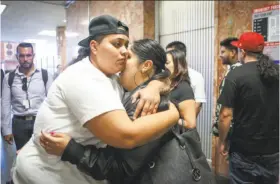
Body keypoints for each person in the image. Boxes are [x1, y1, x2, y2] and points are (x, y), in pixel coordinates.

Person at [12, 15, 179, 184]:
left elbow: (159, 77)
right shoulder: (85, 78)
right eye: (117, 44)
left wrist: (156, 85)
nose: (125, 51)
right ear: (94, 46)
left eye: (126, 46)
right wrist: (175, 113)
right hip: (47, 174)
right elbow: (126, 136)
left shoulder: (113, 77)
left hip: (74, 173)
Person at [38, 48, 197, 184]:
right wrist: (157, 84)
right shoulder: (125, 89)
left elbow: (121, 168)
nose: (121, 59)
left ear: (146, 66)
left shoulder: (145, 104)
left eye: (128, 56)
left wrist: (71, 149)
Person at [218, 32, 279, 184]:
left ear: (243, 51)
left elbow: (225, 115)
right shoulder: (276, 73)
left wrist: (223, 141)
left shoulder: (236, 75)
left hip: (244, 151)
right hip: (273, 150)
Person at [1, 42, 53, 150]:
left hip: (41, 121)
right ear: (17, 57)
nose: (25, 59)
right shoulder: (9, 78)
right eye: (22, 56)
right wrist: (6, 129)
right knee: (23, 157)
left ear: (33, 56)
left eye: (28, 55)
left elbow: (53, 102)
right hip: (19, 124)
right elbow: (5, 105)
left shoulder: (45, 75)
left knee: (43, 156)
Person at [166, 41, 206, 117]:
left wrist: (187, 121)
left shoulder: (196, 76)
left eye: (171, 52)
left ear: (179, 55)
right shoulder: (166, 75)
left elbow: (198, 104)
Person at [212, 37, 241, 137]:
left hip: (231, 131)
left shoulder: (234, 73)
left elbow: (225, 110)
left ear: (233, 52)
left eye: (223, 52)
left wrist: (219, 130)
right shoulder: (237, 70)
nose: (220, 55)